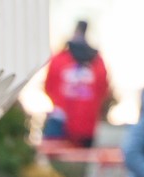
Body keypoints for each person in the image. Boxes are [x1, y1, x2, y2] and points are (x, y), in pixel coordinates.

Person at [42, 21, 109, 149]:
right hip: (84, 126)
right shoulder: (98, 63)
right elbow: (103, 91)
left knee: (54, 160)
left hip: (62, 123)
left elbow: (48, 87)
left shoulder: (59, 59)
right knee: (79, 163)